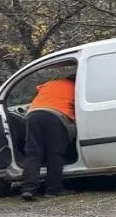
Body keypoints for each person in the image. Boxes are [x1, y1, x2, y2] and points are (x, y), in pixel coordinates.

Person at [21, 73, 77, 201]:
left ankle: (28, 189)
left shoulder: (50, 84)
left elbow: (39, 91)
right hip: (56, 116)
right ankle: (53, 189)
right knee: (55, 153)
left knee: (32, 153)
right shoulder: (75, 88)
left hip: (33, 114)